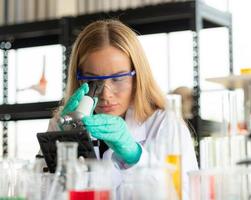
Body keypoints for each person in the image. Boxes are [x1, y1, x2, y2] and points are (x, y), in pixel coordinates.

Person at [46, 19, 198, 199]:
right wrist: (66, 144)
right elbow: (40, 192)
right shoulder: (62, 123)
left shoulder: (164, 124)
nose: (105, 94)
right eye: (92, 81)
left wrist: (136, 157)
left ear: (137, 76)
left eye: (117, 79)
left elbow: (185, 195)